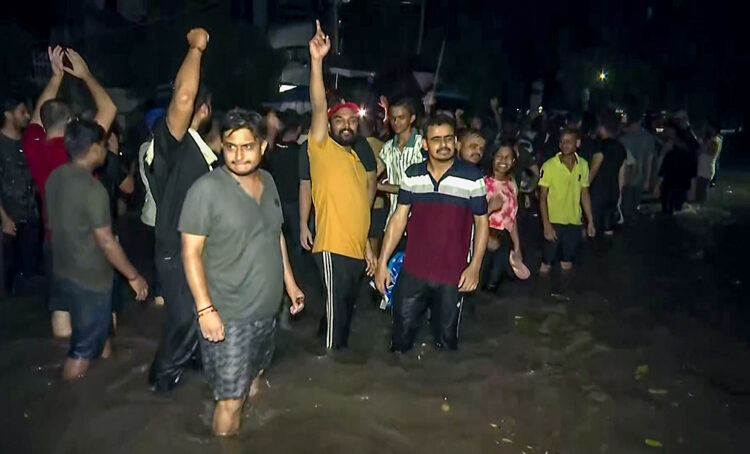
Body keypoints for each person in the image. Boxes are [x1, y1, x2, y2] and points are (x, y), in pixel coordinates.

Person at [179, 109, 304, 436]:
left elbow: (275, 234)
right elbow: (190, 252)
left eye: (247, 146)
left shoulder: (271, 182)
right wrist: (206, 309)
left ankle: (251, 437)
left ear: (262, 146)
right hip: (228, 316)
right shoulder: (205, 191)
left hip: (267, 311)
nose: (238, 155)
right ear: (222, 146)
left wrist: (290, 284)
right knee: (231, 400)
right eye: (230, 146)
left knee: (256, 381)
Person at [374, 114, 489, 352]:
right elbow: (399, 218)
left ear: (456, 142)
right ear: (425, 144)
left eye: (448, 138)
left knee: (446, 344)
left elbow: (482, 223)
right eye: (436, 139)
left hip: (452, 276)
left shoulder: (472, 177)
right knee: (399, 343)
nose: (443, 144)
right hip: (413, 271)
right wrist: (382, 263)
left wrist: (475, 266)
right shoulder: (412, 174)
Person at [23, 46, 117, 338]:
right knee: (102, 307)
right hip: (87, 242)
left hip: (53, 242)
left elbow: (39, 118)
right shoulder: (79, 148)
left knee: (61, 308)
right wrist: (85, 75)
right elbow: (110, 109)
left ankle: (65, 360)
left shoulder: (32, 146)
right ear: (69, 123)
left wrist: (55, 77)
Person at [45, 119, 148, 380]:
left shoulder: (56, 177)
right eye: (103, 145)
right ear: (92, 149)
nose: (106, 150)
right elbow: (106, 241)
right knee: (82, 349)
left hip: (64, 269)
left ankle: (105, 384)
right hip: (90, 278)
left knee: (99, 336)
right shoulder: (93, 190)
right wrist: (133, 277)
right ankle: (67, 400)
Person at [147, 28, 217, 392]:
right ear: (202, 110)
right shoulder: (172, 144)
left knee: (201, 324)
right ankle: (159, 388)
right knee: (185, 323)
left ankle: (194, 376)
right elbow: (185, 94)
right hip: (176, 253)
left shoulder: (203, 156)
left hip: (194, 254)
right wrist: (195, 46)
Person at [307, 21, 377, 350]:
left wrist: (367, 250)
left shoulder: (355, 159)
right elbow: (319, 104)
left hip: (354, 251)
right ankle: (329, 383)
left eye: (352, 120)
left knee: (341, 319)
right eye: (340, 120)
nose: (347, 124)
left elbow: (359, 209)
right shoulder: (321, 148)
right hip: (333, 249)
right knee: (338, 334)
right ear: (330, 125)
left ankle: (323, 371)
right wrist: (317, 61)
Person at [538, 129, 596, 274]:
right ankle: (541, 294)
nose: (565, 145)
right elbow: (542, 196)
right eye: (562, 141)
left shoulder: (583, 164)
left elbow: (585, 193)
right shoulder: (549, 165)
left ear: (578, 143)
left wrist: (590, 221)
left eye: (569, 141)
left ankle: (564, 292)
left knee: (567, 262)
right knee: (546, 264)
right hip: (554, 220)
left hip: (574, 221)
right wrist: (546, 224)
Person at [1, 96, 37, 295]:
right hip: (9, 218)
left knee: (29, 275)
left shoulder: (27, 142)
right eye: (22, 112)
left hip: (31, 215)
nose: (27, 116)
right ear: (8, 114)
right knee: (9, 275)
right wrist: (4, 218)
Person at [481, 141, 527, 291]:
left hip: (504, 240)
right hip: (483, 238)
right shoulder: (481, 183)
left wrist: (517, 247)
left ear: (513, 161)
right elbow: (469, 217)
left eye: (508, 157)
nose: (503, 160)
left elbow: (511, 220)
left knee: (495, 284)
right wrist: (490, 208)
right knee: (479, 283)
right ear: (492, 157)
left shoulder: (511, 185)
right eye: (499, 156)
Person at [375, 98, 425, 226]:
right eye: (393, 118)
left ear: (412, 118)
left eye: (401, 117)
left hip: (418, 222)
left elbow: (417, 188)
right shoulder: (388, 147)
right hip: (393, 220)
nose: (396, 122)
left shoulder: (422, 146)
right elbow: (372, 174)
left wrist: (382, 186)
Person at [265, 110, 304, 256]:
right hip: (296, 206)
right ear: (299, 128)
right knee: (298, 248)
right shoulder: (302, 153)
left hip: (276, 203)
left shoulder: (272, 152)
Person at [588, 111, 627, 235]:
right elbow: (622, 176)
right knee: (608, 229)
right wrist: (619, 196)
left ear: (602, 128)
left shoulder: (601, 146)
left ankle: (595, 251)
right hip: (613, 192)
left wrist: (582, 189)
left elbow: (594, 169)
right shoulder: (621, 148)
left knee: (593, 227)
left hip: (597, 193)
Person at [620, 115, 657, 218]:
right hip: (642, 177)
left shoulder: (624, 139)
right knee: (634, 206)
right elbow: (650, 159)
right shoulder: (649, 138)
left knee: (625, 207)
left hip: (627, 178)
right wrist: (648, 180)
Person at [657, 121, 694, 215]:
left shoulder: (671, 145)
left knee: (668, 210)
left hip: (672, 182)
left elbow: (663, 165)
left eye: (666, 130)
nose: (664, 131)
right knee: (675, 209)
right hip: (679, 182)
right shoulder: (683, 144)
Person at [694, 122, 722, 204]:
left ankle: (700, 207)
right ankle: (699, 206)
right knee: (700, 189)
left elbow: (703, 151)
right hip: (704, 167)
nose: (707, 130)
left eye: (710, 128)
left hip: (706, 168)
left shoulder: (714, 141)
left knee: (702, 189)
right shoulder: (712, 140)